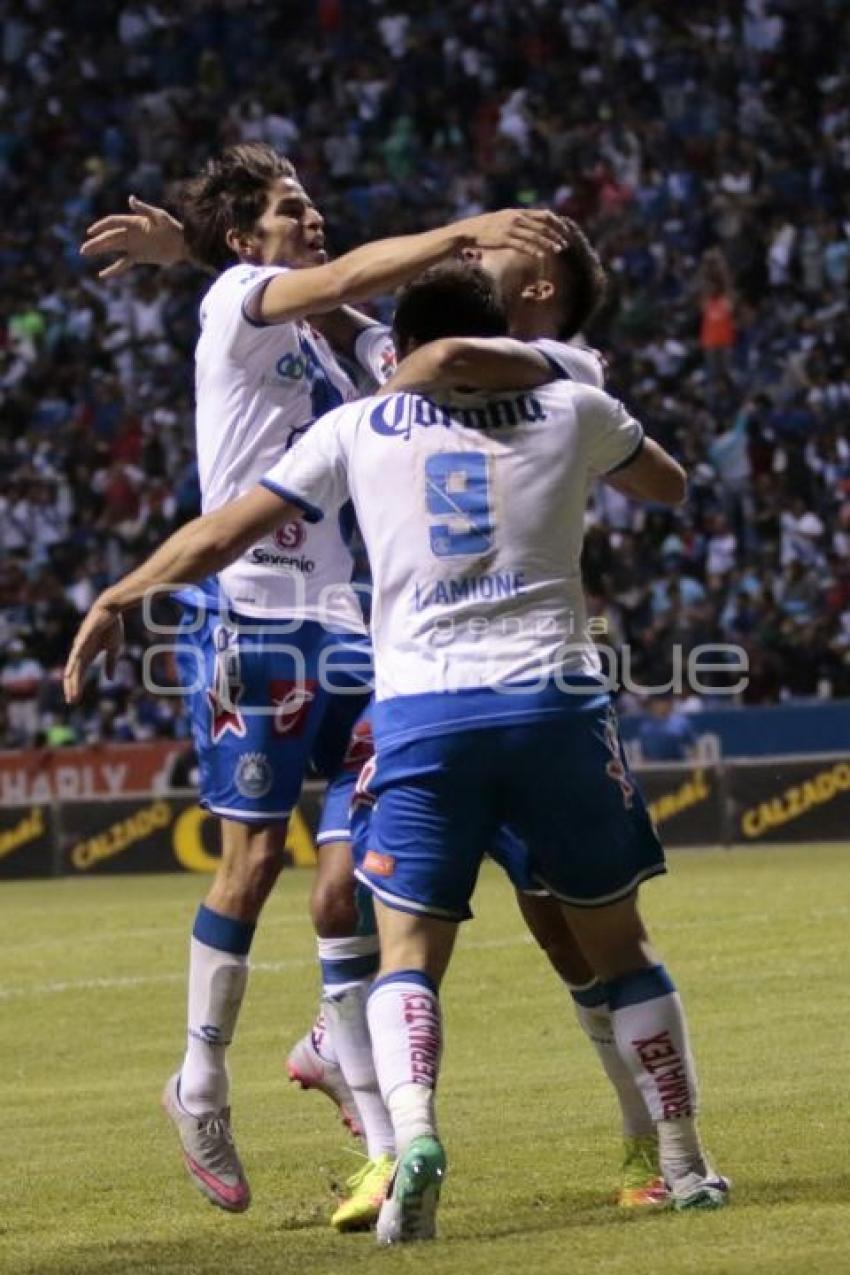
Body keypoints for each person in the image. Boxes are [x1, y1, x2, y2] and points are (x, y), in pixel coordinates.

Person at [64, 262, 728, 1241]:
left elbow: (219, 537)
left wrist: (122, 595)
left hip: (422, 714)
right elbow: (668, 486)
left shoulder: (352, 429)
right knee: (614, 946)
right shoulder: (571, 402)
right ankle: (682, 1161)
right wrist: (577, 407)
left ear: (403, 345)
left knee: (407, 957)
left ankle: (412, 1138)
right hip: (553, 704)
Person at [79, 142, 570, 1217]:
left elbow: (388, 324)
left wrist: (185, 250)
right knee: (251, 863)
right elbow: (344, 279)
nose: (314, 219)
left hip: (361, 633)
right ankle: (199, 1083)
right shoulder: (242, 297)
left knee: (354, 880)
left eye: (310, 205)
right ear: (247, 239)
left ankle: (359, 1101)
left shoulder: (333, 347)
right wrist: (464, 228)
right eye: (291, 207)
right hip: (252, 620)